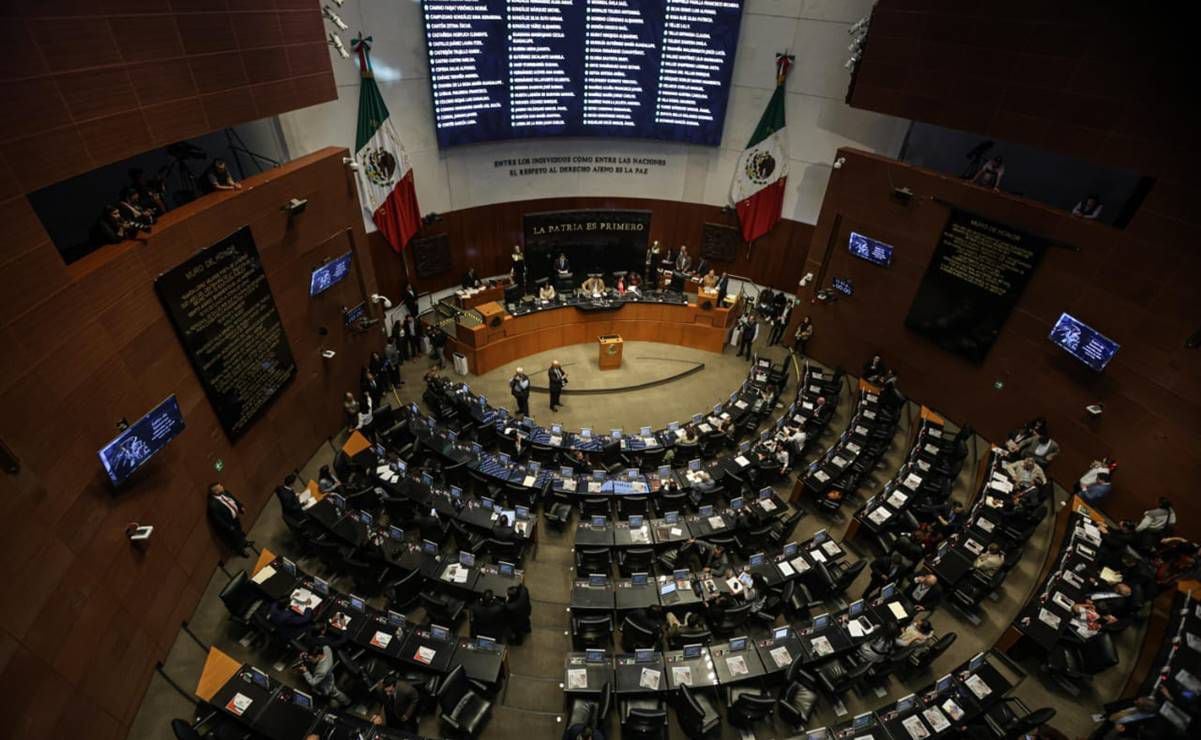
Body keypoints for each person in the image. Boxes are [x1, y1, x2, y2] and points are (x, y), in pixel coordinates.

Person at [207, 482, 250, 556]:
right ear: (216, 491)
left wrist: (240, 506)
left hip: (235, 518)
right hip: (230, 524)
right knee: (235, 538)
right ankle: (241, 551)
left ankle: (244, 543)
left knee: (240, 531)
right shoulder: (213, 504)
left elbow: (234, 499)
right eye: (220, 487)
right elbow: (218, 519)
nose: (222, 487)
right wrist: (229, 527)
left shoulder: (225, 492)